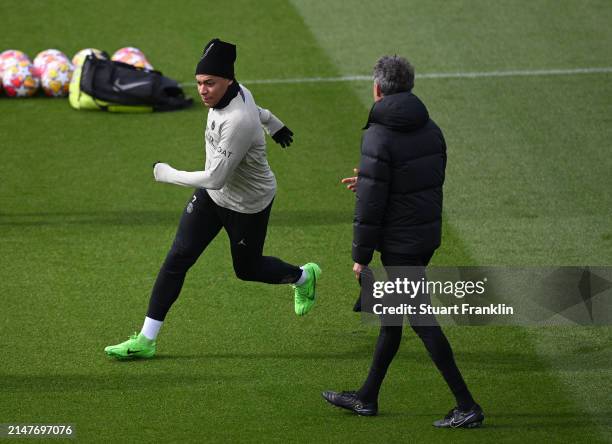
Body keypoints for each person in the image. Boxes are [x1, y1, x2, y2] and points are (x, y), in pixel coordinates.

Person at [104, 38, 321, 360]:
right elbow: (259, 110)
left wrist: (167, 173)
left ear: (228, 82)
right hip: (213, 196)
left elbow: (216, 175)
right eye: (199, 83)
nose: (203, 90)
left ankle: (304, 276)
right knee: (178, 258)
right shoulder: (235, 94)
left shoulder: (238, 121)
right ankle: (146, 340)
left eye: (210, 83)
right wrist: (275, 125)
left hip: (248, 203)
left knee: (247, 270)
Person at [322, 55, 483, 428]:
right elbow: (422, 179)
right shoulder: (431, 128)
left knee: (421, 320)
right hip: (423, 236)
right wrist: (372, 180)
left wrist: (360, 256)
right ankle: (366, 397)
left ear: (377, 88)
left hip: (401, 243)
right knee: (392, 319)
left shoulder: (377, 134)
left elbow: (372, 203)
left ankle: (467, 405)